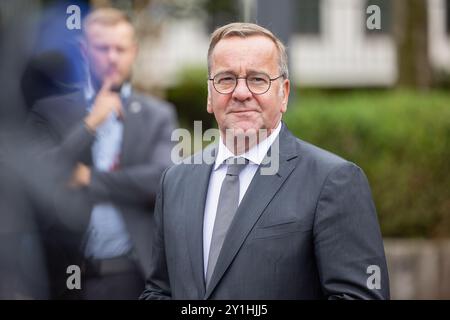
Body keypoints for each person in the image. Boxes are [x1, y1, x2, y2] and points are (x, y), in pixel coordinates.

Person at [140, 22, 390, 300]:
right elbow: (159, 291)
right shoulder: (176, 180)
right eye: (226, 79)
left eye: (258, 79)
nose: (241, 92)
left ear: (283, 93)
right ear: (210, 95)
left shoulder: (334, 181)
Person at [28, 8, 177, 299]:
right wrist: (90, 124)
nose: (112, 57)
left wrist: (87, 178)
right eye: (102, 48)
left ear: (133, 51)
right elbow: (38, 177)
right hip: (64, 276)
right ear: (84, 50)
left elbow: (161, 179)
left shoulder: (156, 114)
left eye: (120, 49)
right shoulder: (49, 110)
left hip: (133, 277)